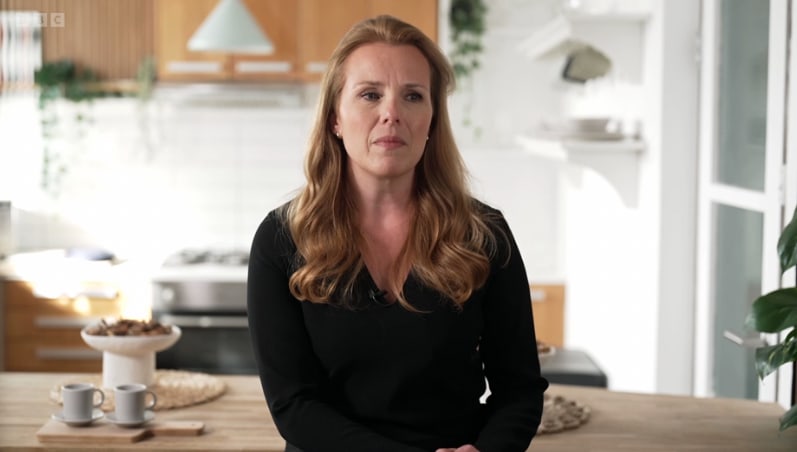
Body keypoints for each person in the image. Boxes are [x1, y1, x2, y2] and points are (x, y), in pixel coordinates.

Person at [247, 15, 548, 452]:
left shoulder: (485, 234)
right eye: (370, 94)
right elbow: (293, 404)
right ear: (335, 117)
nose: (392, 113)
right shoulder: (280, 239)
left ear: (431, 120)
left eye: (412, 96)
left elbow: (519, 388)